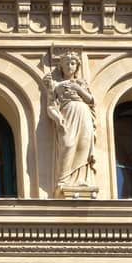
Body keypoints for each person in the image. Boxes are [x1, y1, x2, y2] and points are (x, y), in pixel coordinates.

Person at [46, 50, 96, 193]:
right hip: (67, 114)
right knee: (67, 144)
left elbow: (91, 100)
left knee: (83, 144)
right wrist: (57, 118)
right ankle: (63, 181)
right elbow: (50, 105)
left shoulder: (81, 83)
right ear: (61, 66)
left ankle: (81, 180)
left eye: (72, 63)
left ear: (77, 66)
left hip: (83, 113)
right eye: (66, 63)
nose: (69, 66)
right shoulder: (56, 85)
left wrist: (77, 88)